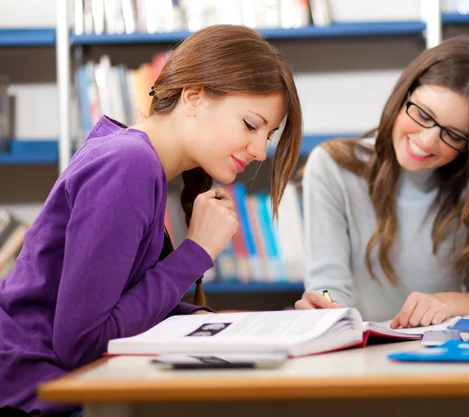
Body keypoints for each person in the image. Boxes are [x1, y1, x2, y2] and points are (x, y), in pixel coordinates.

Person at [0, 24, 302, 417]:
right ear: (193, 97)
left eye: (269, 134)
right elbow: (82, 346)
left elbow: (121, 312)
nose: (261, 150)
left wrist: (282, 327)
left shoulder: (134, 159)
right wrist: (195, 252)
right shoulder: (129, 164)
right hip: (31, 393)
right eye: (250, 125)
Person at [294, 35, 469, 327]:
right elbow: (326, 285)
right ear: (403, 95)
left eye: (454, 135)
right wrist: (325, 303)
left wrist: (446, 302)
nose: (427, 141)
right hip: (360, 356)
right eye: (423, 114)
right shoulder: (332, 167)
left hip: (443, 360)